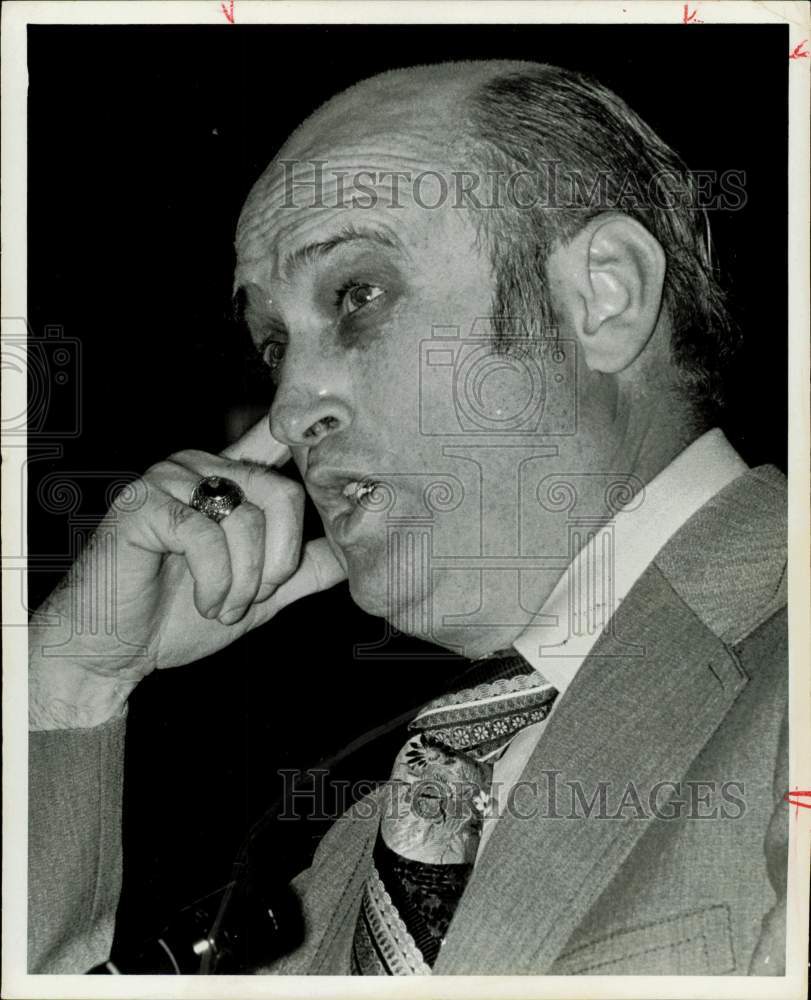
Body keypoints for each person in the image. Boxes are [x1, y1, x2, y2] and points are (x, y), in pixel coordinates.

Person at [28, 60, 787, 976]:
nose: (289, 410)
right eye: (273, 346)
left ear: (603, 295)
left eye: (356, 297)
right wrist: (69, 685)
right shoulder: (356, 860)